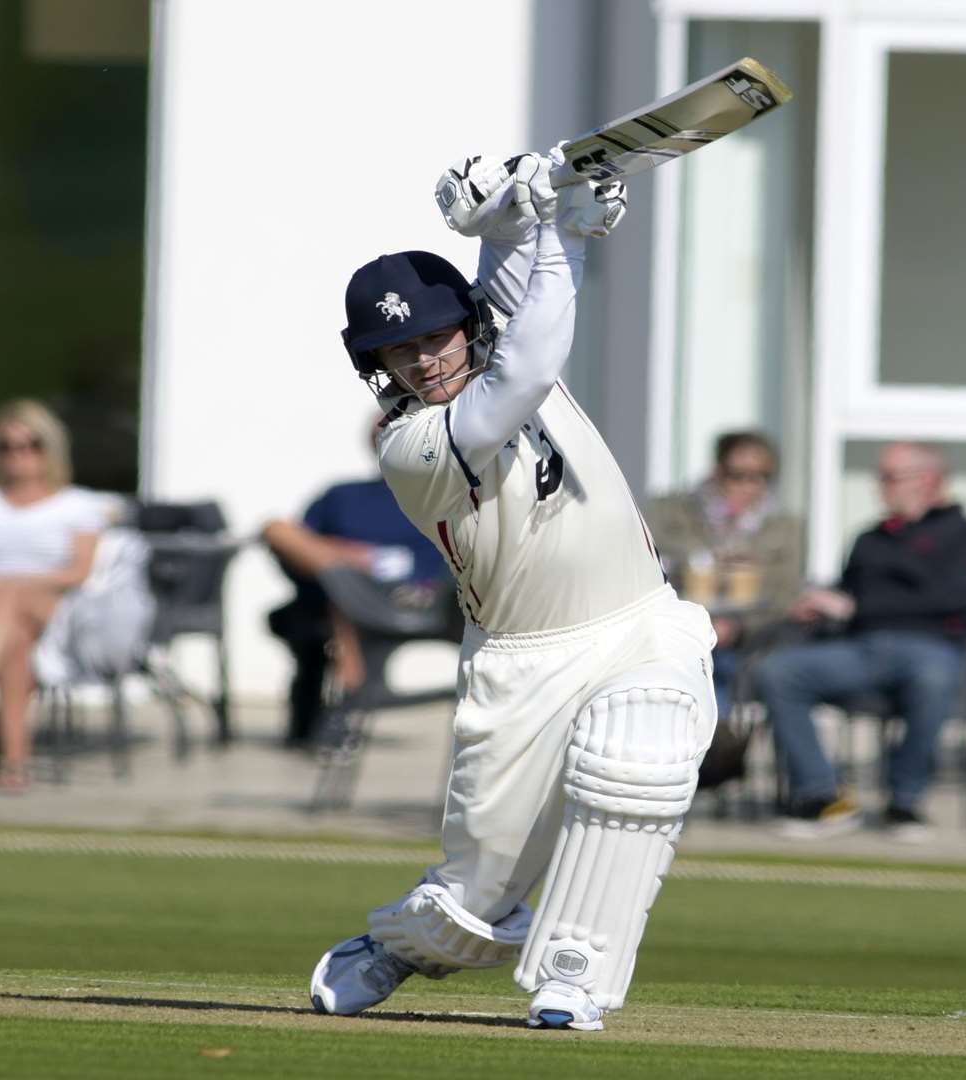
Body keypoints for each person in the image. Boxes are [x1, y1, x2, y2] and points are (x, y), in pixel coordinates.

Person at [306, 151, 715, 1033]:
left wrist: (518, 215)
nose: (423, 359)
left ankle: (573, 975)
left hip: (640, 621)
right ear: (377, 364)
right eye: (398, 349)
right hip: (524, 662)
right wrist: (556, 230)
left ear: (462, 327)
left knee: (637, 760)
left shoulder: (487, 341)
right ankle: (407, 944)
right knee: (475, 889)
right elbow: (527, 363)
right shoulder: (413, 446)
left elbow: (523, 296)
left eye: (433, 336)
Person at [752, 443, 966, 838]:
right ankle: (822, 796)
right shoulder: (870, 539)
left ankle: (905, 802)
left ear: (929, 480)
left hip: (933, 648)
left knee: (933, 677)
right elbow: (850, 598)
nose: (879, 488)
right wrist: (820, 606)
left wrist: (861, 605)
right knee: (779, 671)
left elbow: (961, 600)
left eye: (889, 477)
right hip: (861, 649)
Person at [0, 400, 111, 791]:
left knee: (11, 600)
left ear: (51, 449)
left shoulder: (77, 505)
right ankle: (13, 763)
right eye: (6, 446)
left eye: (31, 445)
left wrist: (10, 584)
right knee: (14, 641)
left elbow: (79, 572)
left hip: (49, 608)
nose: (18, 455)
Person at [263, 474, 449, 747]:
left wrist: (369, 563)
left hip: (396, 597)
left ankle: (350, 690)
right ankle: (348, 694)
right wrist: (347, 559)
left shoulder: (440, 498)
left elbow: (439, 565)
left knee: (343, 595)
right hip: (331, 593)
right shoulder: (342, 495)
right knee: (276, 529)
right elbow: (296, 549)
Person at [644, 431, 803, 718]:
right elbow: (652, 564)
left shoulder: (784, 527)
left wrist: (738, 627)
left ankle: (717, 750)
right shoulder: (675, 512)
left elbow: (785, 595)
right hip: (682, 630)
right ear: (718, 471)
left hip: (748, 641)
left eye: (761, 476)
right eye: (737, 475)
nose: (748, 486)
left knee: (726, 677)